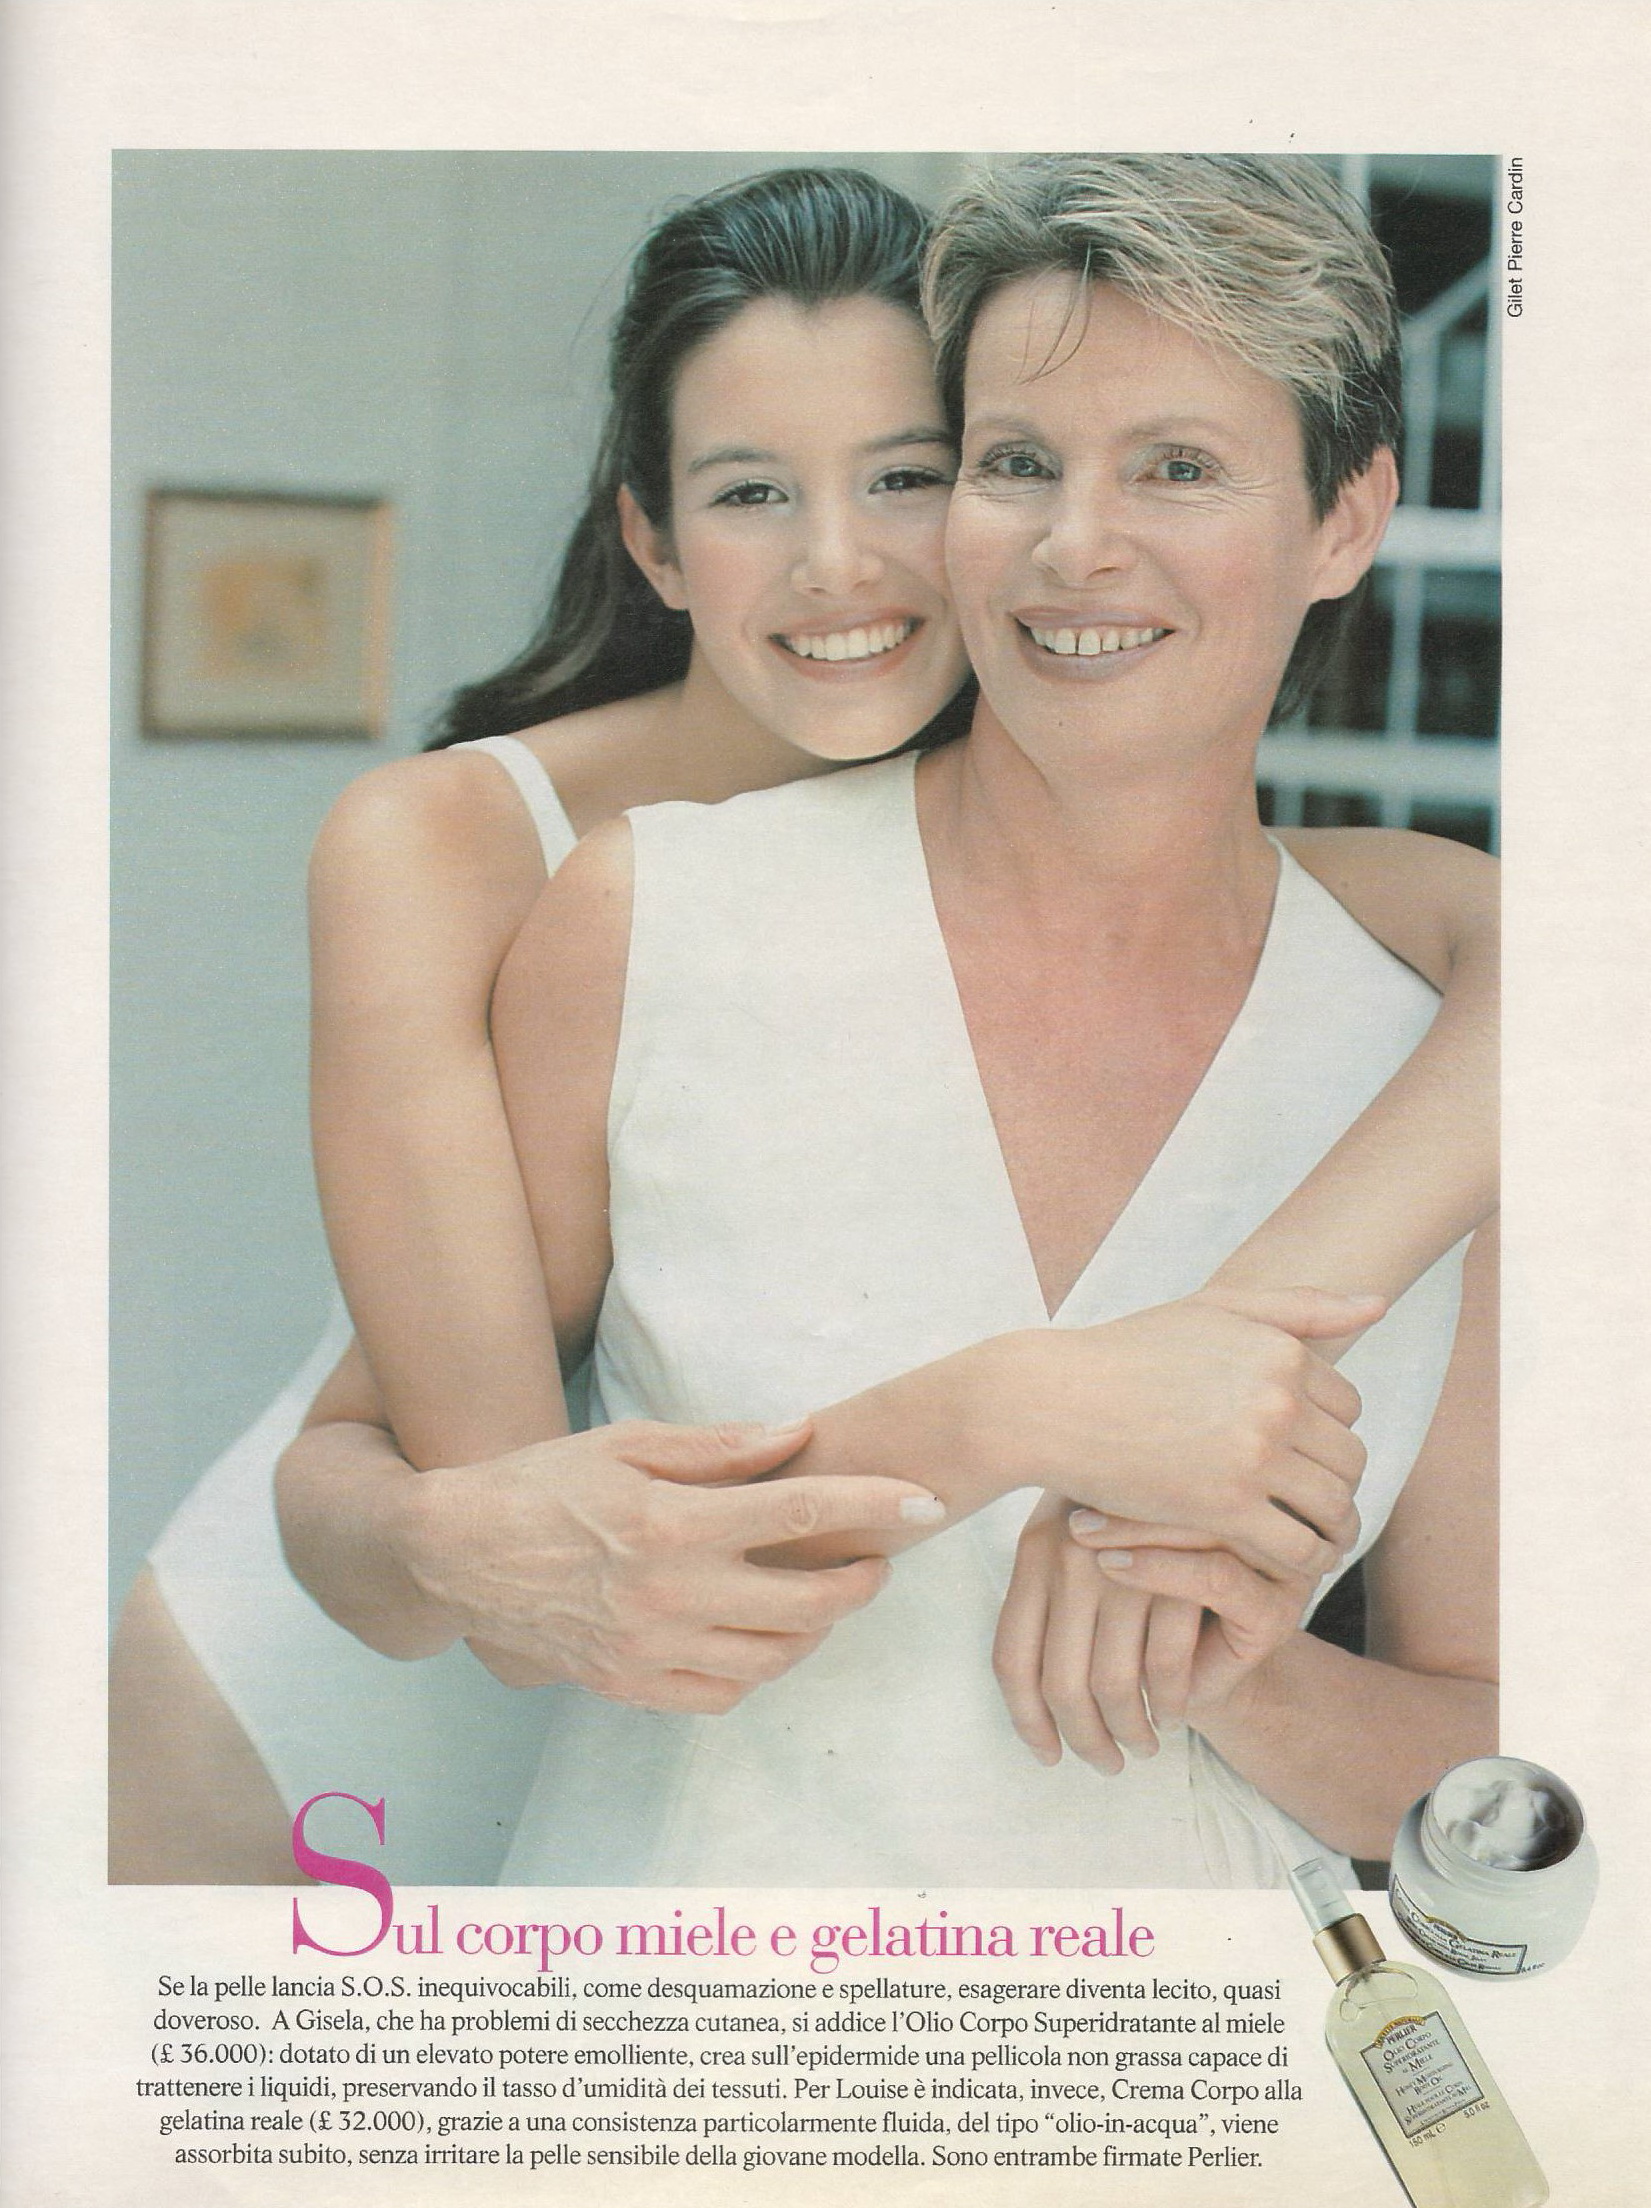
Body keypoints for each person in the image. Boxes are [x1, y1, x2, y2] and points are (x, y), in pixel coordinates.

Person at [110, 161, 1494, 1885]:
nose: (1073, 542)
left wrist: (1228, 1658)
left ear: (1345, 522)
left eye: (1179, 466)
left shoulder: (1441, 1027)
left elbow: (1497, 1752)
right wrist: (1028, 1410)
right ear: (655, 540)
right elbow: (506, 1540)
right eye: (1018, 462)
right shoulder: (586, 894)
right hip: (371, 1759)